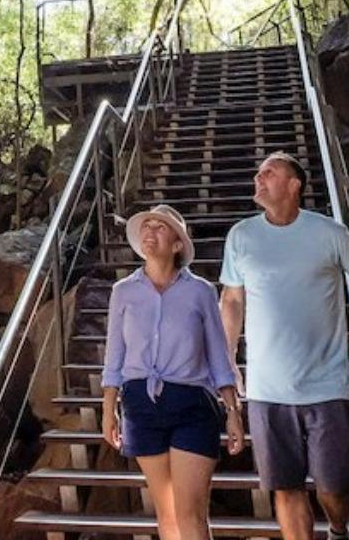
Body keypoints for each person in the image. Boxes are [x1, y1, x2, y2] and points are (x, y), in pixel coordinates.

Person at [219, 153, 349, 540]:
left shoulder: (328, 233)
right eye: (257, 172)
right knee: (285, 485)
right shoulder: (241, 236)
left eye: (269, 172)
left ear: (294, 184)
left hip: (326, 385)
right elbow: (231, 300)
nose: (258, 178)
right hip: (266, 389)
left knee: (335, 486)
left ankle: (338, 529)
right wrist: (226, 357)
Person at [101, 203, 246, 540]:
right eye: (146, 226)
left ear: (178, 244)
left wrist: (233, 411)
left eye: (160, 227)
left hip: (191, 403)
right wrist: (109, 408)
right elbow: (114, 356)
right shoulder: (122, 292)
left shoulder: (200, 291)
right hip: (140, 404)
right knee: (166, 516)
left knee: (191, 514)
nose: (150, 231)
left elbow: (218, 355)